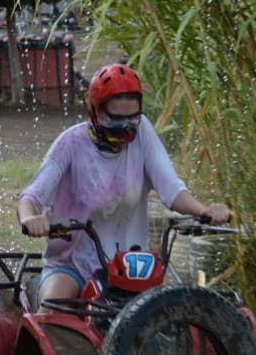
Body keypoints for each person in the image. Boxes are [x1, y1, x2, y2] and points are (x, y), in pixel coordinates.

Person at [17, 63, 230, 308]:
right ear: (95, 112)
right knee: (54, 307)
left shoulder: (144, 133)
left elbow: (171, 188)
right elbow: (31, 197)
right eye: (116, 119)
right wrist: (30, 218)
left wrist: (204, 210)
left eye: (133, 118)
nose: (127, 128)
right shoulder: (70, 144)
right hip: (73, 265)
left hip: (132, 267)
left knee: (169, 315)